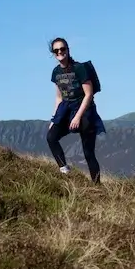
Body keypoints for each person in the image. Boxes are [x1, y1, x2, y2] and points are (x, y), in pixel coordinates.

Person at [46, 37, 106, 183]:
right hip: (66, 110)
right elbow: (59, 97)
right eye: (56, 50)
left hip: (84, 110)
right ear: (53, 53)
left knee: (88, 152)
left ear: (67, 49)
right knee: (51, 137)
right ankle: (64, 171)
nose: (60, 52)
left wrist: (78, 117)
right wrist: (54, 119)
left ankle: (97, 187)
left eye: (62, 49)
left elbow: (89, 94)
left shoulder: (79, 68)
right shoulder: (55, 72)